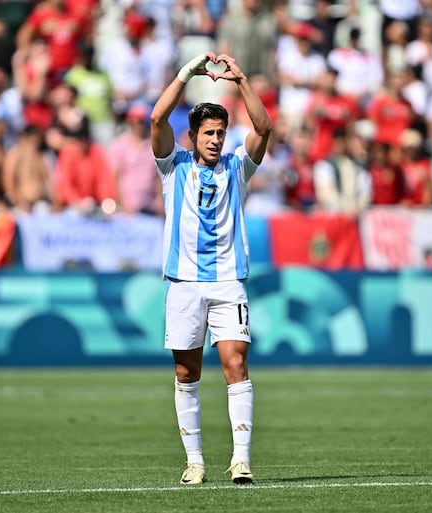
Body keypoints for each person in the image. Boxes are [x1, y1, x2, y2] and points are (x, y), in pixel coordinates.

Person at [150, 51, 271, 485]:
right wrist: (186, 73)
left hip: (227, 283)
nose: (216, 140)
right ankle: (195, 461)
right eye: (209, 133)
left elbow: (263, 128)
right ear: (193, 136)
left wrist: (240, 80)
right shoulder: (173, 167)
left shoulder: (238, 168)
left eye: (221, 132)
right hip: (183, 284)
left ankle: (241, 460)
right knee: (187, 373)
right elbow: (156, 119)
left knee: (235, 365)